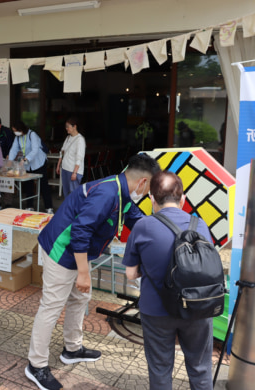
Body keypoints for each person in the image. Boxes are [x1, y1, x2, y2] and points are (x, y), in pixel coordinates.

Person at [25, 153, 160, 390]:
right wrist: (84, 272)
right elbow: (80, 231)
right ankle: (36, 365)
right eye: (150, 187)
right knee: (52, 306)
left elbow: (135, 218)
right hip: (62, 251)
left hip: (78, 253)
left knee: (79, 298)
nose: (148, 194)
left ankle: (72, 349)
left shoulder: (122, 192)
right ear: (142, 182)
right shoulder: (107, 193)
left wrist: (164, 227)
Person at [122, 171, 214, 390]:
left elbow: (130, 274)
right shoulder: (199, 225)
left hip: (156, 310)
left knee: (160, 369)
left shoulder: (142, 226)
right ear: (182, 199)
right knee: (201, 368)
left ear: (152, 199)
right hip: (197, 307)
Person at [8, 120, 53, 213]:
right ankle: (30, 206)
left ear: (20, 129)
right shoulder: (17, 137)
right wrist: (10, 162)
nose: (14, 132)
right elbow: (14, 149)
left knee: (43, 185)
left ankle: (49, 207)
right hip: (28, 164)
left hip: (38, 162)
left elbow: (35, 150)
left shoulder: (32, 134)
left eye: (15, 130)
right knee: (28, 184)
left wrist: (26, 159)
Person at [56, 117, 86, 197]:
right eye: (66, 126)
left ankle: (75, 210)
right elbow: (62, 152)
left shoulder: (80, 140)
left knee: (73, 194)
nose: (66, 128)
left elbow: (79, 157)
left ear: (74, 127)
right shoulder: (68, 138)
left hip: (73, 171)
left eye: (68, 126)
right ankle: (68, 209)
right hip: (65, 169)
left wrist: (75, 172)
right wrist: (58, 165)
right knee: (66, 193)